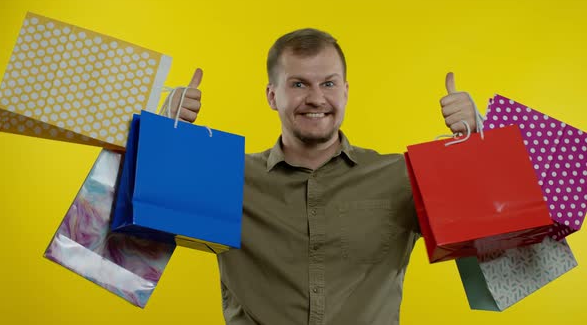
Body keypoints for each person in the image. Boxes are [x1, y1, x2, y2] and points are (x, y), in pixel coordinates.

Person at [172, 28, 477, 325]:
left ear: (345, 91)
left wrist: (476, 141)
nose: (316, 98)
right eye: (299, 84)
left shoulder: (401, 175)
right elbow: (139, 237)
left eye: (329, 84)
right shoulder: (226, 176)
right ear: (271, 95)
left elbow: (493, 240)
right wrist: (159, 135)